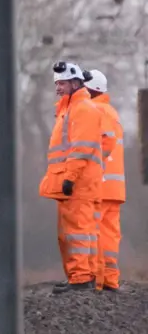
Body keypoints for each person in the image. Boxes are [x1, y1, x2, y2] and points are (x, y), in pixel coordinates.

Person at [39, 61, 106, 294]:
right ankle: (82, 278)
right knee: (78, 231)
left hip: (77, 183)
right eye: (57, 83)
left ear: (76, 83)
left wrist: (70, 177)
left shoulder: (82, 109)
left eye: (63, 83)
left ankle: (81, 279)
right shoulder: (70, 109)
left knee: (76, 231)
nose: (58, 87)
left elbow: (81, 147)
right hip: (74, 182)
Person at [84, 69, 125, 292]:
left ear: (91, 89)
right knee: (110, 234)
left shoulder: (94, 110)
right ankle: (110, 278)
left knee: (95, 232)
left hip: (99, 184)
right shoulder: (112, 112)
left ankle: (98, 281)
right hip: (115, 188)